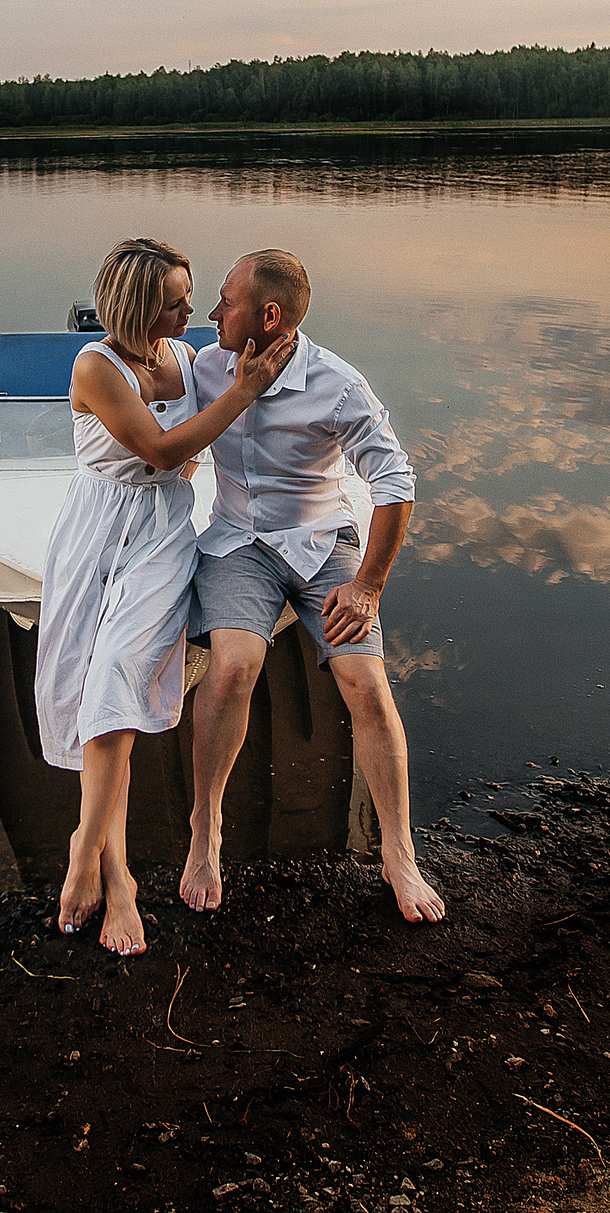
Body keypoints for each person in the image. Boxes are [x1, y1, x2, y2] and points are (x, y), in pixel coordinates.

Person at [35, 238, 297, 955]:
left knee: (118, 680)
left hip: (161, 537)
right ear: (137, 307)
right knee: (89, 693)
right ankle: (114, 875)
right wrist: (241, 394)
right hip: (97, 531)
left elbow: (264, 392)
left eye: (190, 297)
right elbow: (159, 450)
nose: (193, 312)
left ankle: (84, 848)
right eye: (176, 303)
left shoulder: (186, 357)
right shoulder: (96, 365)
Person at [181, 249, 445, 923]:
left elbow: (395, 482)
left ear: (269, 317)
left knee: (366, 683)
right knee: (233, 666)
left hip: (322, 543)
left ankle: (399, 853)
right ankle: (206, 829)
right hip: (237, 541)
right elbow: (168, 433)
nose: (214, 313)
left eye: (227, 301)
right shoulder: (206, 366)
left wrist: (368, 586)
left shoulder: (337, 383)